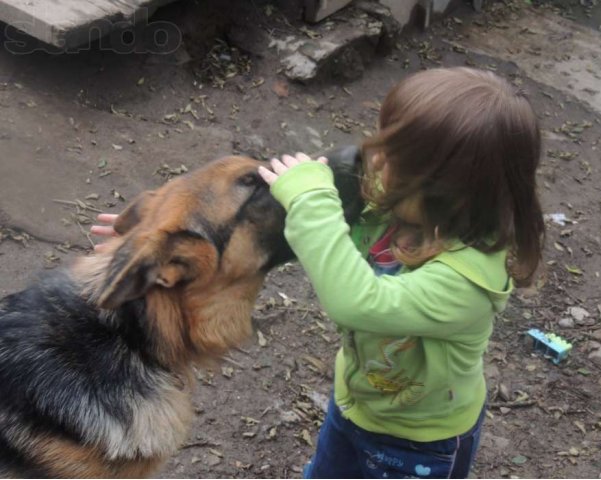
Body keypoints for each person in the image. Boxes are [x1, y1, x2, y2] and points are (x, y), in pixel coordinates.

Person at [93, 67, 545, 479]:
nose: (373, 161)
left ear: (452, 194)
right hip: (357, 406)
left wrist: (312, 200)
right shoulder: (411, 216)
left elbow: (357, 301)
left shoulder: (465, 283)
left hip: (420, 442)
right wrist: (158, 233)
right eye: (383, 143)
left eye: (394, 161)